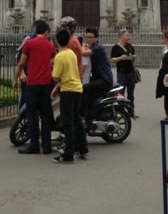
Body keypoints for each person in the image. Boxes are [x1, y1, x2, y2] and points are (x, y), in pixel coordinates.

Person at [13, 20, 55, 154]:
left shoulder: (29, 44)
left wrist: (15, 79)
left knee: (32, 115)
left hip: (32, 83)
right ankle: (47, 146)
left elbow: (21, 63)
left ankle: (34, 145)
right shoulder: (50, 45)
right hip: (46, 83)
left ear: (35, 31)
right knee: (46, 115)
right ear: (47, 32)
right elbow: (55, 60)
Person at [50, 28, 89, 164]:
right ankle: (83, 148)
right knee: (76, 120)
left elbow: (56, 76)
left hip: (67, 90)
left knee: (68, 123)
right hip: (77, 88)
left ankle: (68, 155)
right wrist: (57, 88)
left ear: (56, 41)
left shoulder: (59, 56)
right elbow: (71, 73)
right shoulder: (71, 53)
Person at [81, 27, 113, 117]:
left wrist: (83, 45)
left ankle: (83, 115)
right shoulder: (93, 47)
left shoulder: (99, 48)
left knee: (84, 88)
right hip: (97, 78)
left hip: (104, 79)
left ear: (96, 38)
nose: (88, 39)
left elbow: (82, 52)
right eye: (87, 37)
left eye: (91, 37)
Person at [110, 29, 137, 117]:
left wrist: (133, 57)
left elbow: (133, 56)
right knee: (120, 93)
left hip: (131, 72)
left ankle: (131, 111)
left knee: (131, 93)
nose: (129, 37)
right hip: (122, 73)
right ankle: (121, 111)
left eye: (129, 35)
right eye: (127, 35)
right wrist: (120, 58)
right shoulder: (116, 47)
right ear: (121, 36)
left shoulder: (130, 46)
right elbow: (112, 60)